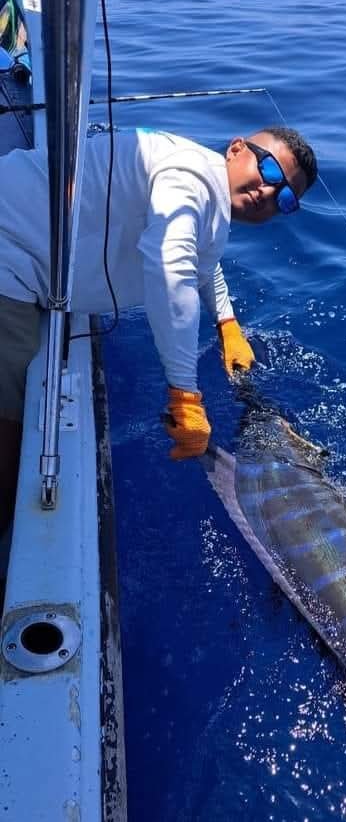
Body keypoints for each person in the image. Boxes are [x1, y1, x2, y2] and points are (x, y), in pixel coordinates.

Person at [0, 125, 317, 538]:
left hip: (26, 256)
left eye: (286, 198)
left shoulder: (207, 194)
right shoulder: (192, 178)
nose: (269, 194)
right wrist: (184, 394)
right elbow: (172, 264)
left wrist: (226, 322)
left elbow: (202, 257)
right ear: (237, 147)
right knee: (14, 422)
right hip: (10, 252)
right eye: (271, 173)